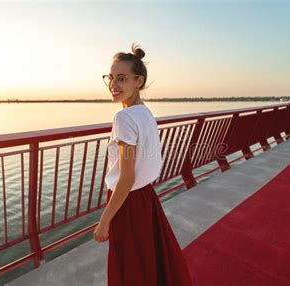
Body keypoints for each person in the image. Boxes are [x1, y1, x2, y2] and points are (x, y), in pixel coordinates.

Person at [93, 43, 193, 286]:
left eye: (121, 78)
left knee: (129, 266)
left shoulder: (124, 117)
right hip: (145, 198)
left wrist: (104, 221)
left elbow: (126, 177)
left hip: (128, 201)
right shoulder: (145, 113)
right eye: (111, 78)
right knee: (147, 260)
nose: (113, 85)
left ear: (138, 81)